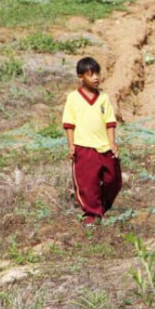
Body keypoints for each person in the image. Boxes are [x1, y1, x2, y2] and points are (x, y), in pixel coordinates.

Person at [62, 57, 121, 226]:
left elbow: (109, 123)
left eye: (97, 73)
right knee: (87, 183)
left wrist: (112, 144)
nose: (96, 77)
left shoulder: (103, 98)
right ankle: (92, 215)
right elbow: (69, 124)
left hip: (104, 147)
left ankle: (101, 206)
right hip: (84, 148)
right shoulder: (73, 98)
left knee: (113, 180)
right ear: (81, 77)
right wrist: (71, 145)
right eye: (90, 74)